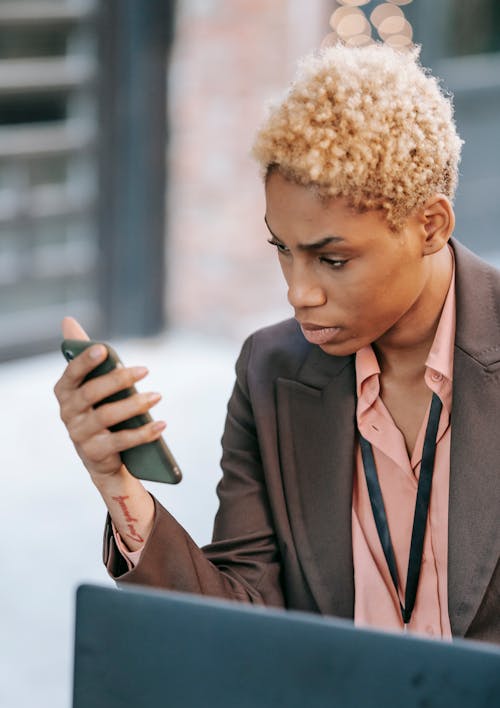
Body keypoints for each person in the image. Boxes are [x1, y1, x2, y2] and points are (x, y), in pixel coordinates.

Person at [54, 43, 499, 644]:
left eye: (332, 259)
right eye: (282, 250)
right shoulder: (271, 371)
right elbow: (238, 624)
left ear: (430, 226)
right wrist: (115, 482)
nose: (299, 293)